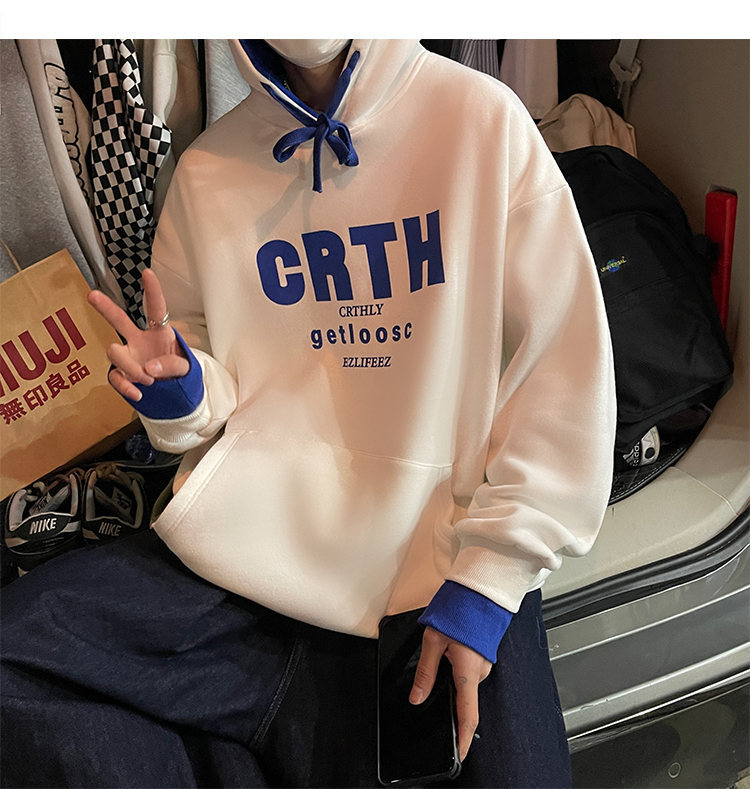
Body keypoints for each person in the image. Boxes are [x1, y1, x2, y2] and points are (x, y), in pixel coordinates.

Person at [1, 39, 616, 787]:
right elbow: (206, 380)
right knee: (19, 665)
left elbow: (562, 365)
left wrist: (493, 574)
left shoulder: (481, 121)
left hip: (435, 561)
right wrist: (182, 392)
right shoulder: (208, 171)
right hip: (244, 566)